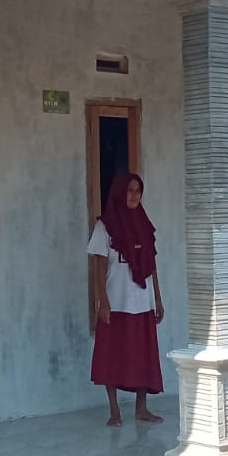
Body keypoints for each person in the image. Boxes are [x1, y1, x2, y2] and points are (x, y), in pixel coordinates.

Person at [88, 172, 165, 427]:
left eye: (138, 191)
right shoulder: (105, 227)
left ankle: (142, 408)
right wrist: (102, 300)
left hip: (143, 301)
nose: (134, 195)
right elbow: (99, 267)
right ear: (120, 192)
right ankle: (114, 410)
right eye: (129, 190)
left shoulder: (144, 224)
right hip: (116, 301)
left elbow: (151, 266)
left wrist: (158, 299)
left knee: (143, 355)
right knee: (112, 354)